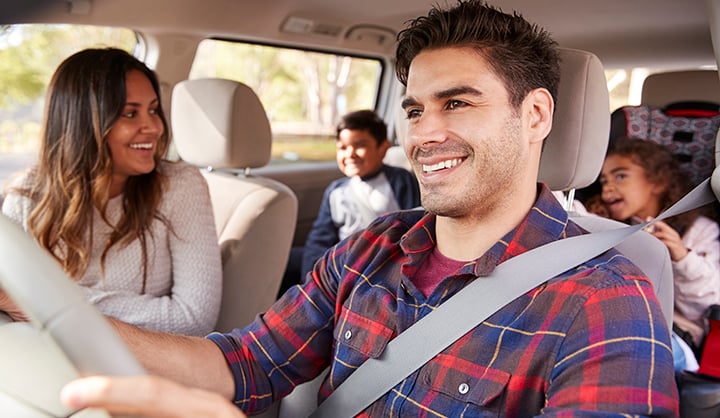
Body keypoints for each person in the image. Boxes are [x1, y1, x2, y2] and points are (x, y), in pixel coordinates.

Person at [58, 1, 678, 416]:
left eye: (457, 103)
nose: (424, 135)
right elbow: (243, 361)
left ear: (536, 114)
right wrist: (55, 314)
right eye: (414, 109)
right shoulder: (371, 248)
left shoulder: (605, 302)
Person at [0, 48, 222, 336]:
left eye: (153, 110)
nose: (153, 127)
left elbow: (194, 318)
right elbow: (9, 306)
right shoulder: (26, 199)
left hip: (146, 369)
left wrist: (53, 303)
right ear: (82, 124)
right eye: (131, 113)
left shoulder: (179, 186)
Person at [593, 137, 720, 370]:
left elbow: (709, 303)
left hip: (674, 333)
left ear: (657, 182)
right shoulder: (605, 228)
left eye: (620, 176)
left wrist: (682, 256)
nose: (608, 187)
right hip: (615, 322)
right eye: (603, 181)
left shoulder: (698, 230)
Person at [281, 109, 420, 293]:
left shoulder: (399, 180)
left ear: (383, 148)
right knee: (281, 259)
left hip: (382, 259)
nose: (350, 154)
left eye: (360, 145)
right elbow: (319, 238)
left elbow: (414, 227)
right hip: (342, 260)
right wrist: (311, 279)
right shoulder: (336, 190)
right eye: (343, 148)